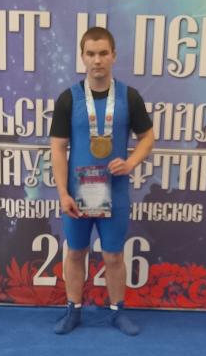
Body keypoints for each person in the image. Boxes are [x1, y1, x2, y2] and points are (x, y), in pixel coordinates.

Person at [50, 27, 154, 335]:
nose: (97, 60)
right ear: (82, 57)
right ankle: (73, 310)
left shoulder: (129, 97)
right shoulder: (68, 99)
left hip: (115, 193)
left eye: (103, 53)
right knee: (75, 252)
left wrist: (131, 162)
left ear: (114, 56)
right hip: (77, 194)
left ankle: (117, 312)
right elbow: (58, 148)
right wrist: (62, 193)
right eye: (91, 54)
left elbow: (148, 137)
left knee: (113, 255)